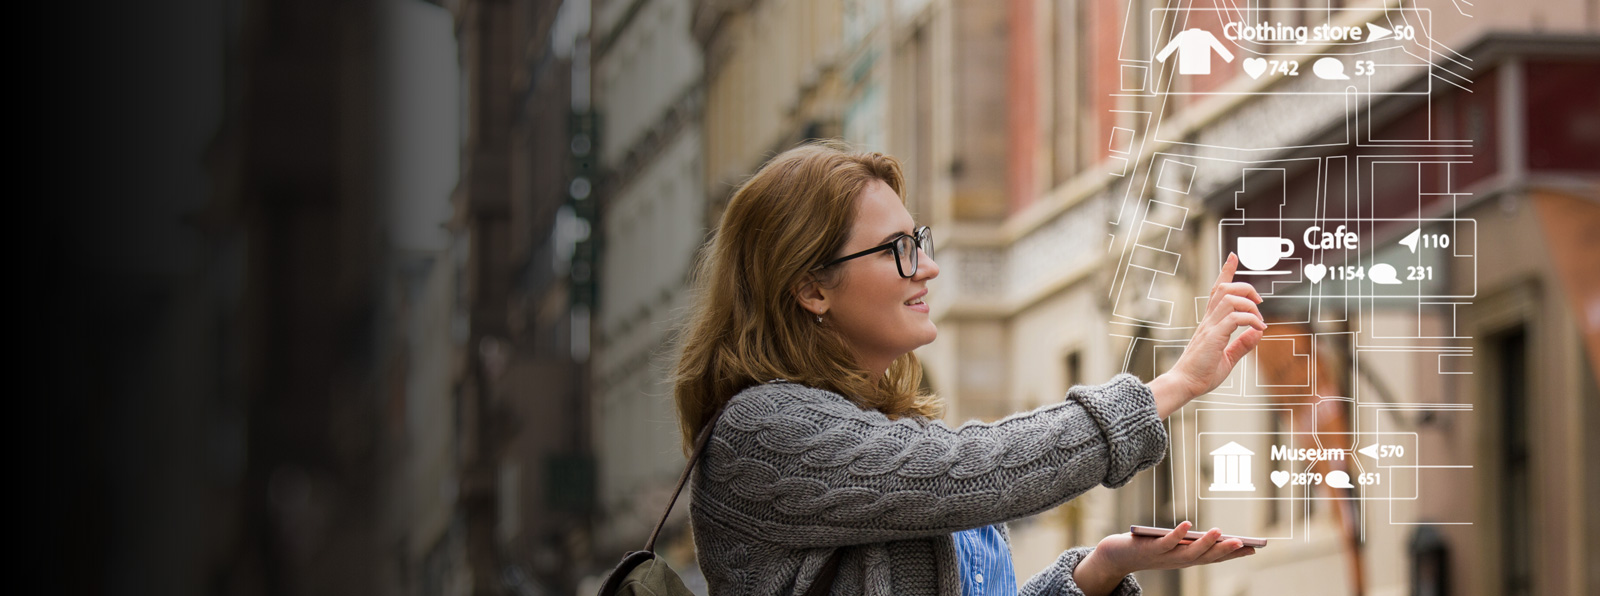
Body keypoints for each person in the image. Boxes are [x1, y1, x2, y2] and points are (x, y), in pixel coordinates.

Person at [672, 143, 1267, 596]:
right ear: (810, 288)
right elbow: (976, 471)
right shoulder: (763, 430)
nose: (926, 267)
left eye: (919, 240)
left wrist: (1098, 570)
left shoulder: (895, 430)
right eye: (896, 249)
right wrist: (1175, 383)